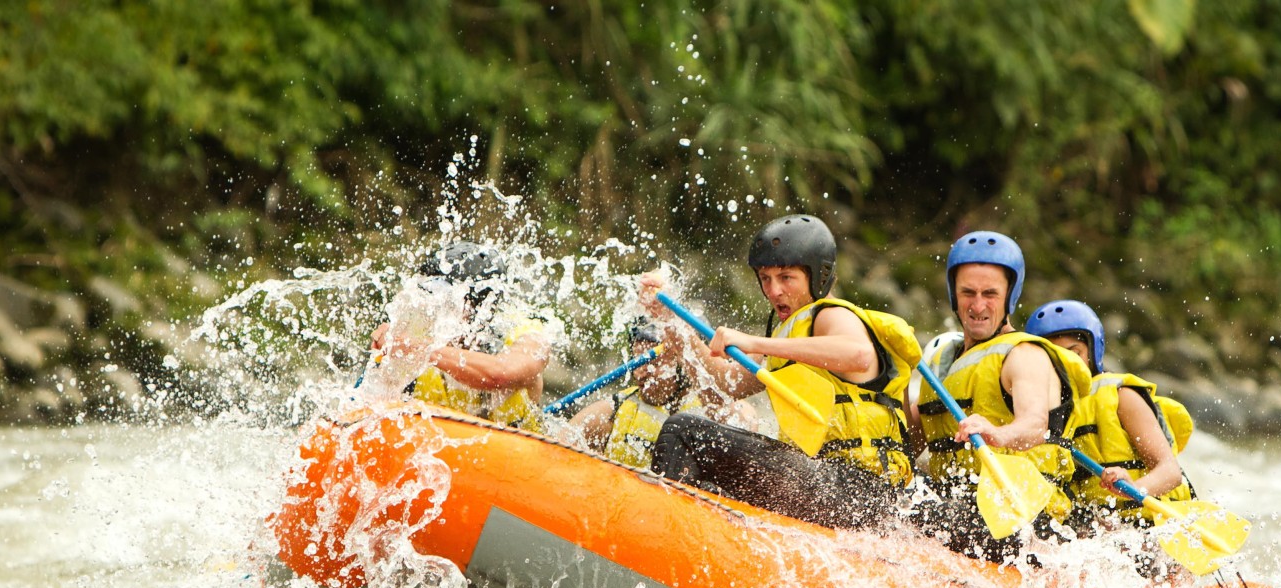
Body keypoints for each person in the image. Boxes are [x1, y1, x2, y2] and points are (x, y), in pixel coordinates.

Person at [645, 214, 923, 531]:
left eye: (786, 277)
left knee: (683, 431)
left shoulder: (831, 316)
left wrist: (755, 342)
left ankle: (661, 535)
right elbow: (721, 388)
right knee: (704, 453)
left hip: (855, 489)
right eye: (765, 278)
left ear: (818, 277)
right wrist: (673, 324)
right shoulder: (789, 334)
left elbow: (858, 355)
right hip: (831, 486)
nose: (774, 291)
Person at [907, 231, 1091, 561]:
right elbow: (910, 443)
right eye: (968, 293)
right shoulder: (940, 366)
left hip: (1021, 517)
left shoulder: (1023, 355)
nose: (978, 306)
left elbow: (1035, 424)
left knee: (911, 516)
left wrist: (998, 434)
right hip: (956, 502)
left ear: (1009, 297)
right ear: (954, 294)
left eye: (990, 294)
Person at [1025, 299, 1195, 531]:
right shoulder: (1039, 411)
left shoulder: (1121, 397)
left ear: (1092, 352)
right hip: (1094, 531)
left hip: (1149, 525)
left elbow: (1170, 472)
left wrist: (1134, 486)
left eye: (1075, 353)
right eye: (1055, 357)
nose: (1067, 363)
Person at [370, 241, 552, 433]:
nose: (432, 307)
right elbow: (373, 411)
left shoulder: (527, 335)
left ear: (478, 308)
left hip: (521, 454)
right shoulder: (417, 334)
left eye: (445, 298)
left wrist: (419, 349)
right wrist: (387, 354)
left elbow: (500, 374)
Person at [568, 316, 712, 469]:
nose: (640, 373)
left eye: (653, 363)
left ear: (684, 366)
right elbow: (561, 442)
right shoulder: (613, 409)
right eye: (637, 361)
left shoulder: (713, 411)